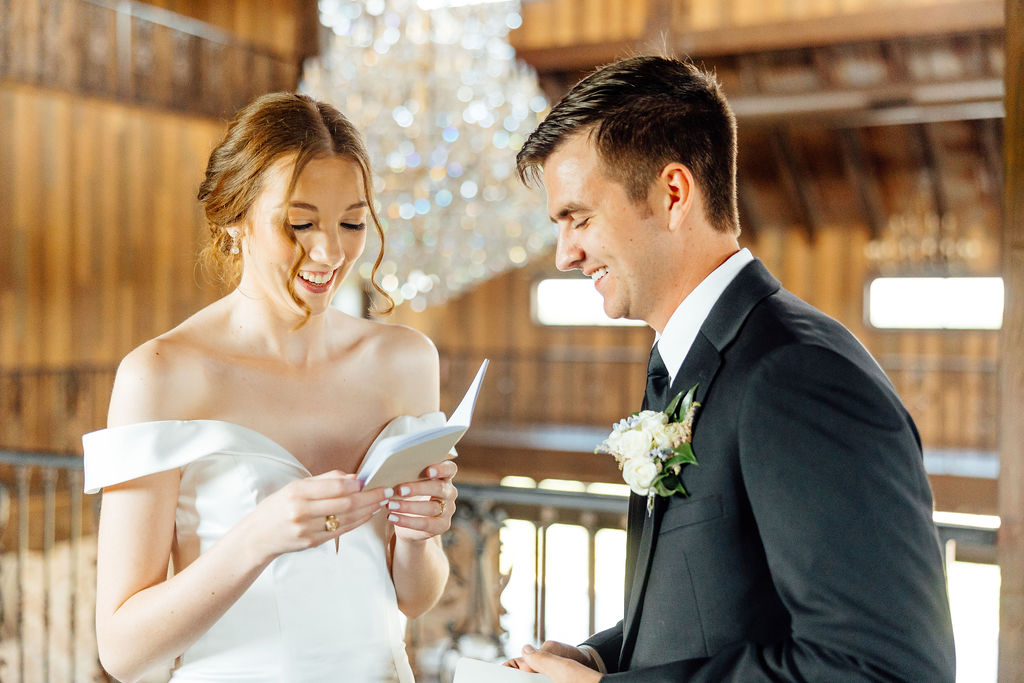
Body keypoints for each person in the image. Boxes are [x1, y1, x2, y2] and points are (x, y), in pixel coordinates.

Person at [507, 56, 955, 681]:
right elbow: (717, 607)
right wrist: (600, 661)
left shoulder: (796, 375)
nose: (565, 254)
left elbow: (880, 668)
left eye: (579, 218)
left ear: (672, 194)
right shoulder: (689, 359)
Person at [82, 92, 457, 682]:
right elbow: (123, 651)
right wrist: (259, 536)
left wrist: (419, 537)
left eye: (352, 222)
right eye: (299, 223)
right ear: (234, 220)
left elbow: (413, 597)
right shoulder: (160, 374)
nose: (330, 251)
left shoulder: (405, 360)